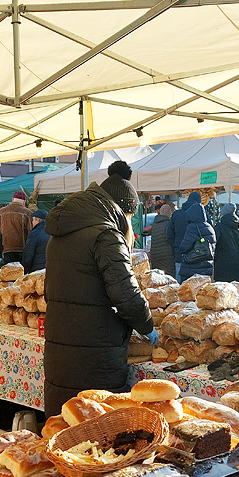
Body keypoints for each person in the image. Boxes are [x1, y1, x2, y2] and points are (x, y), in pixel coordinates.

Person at [44, 160, 155, 417]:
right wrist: (147, 326)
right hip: (96, 355)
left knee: (63, 428)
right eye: (130, 218)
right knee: (98, 439)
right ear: (124, 212)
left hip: (60, 350)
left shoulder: (61, 232)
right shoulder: (107, 235)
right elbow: (126, 295)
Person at [177, 196, 216, 282]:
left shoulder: (192, 227)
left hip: (192, 267)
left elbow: (184, 246)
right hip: (207, 267)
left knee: (188, 292)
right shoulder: (209, 227)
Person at [213, 203, 239, 283]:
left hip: (222, 266)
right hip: (238, 266)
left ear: (223, 214)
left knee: (223, 292)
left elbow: (214, 244)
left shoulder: (219, 227)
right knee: (236, 292)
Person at [168, 191, 201, 277]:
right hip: (198, 256)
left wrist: (175, 246)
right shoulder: (202, 215)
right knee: (198, 286)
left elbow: (169, 235)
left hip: (180, 254)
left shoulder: (176, 214)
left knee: (181, 286)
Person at [0, 189, 33, 264]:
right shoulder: (27, 213)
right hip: (22, 248)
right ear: (24, 201)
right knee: (21, 273)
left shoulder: (1, 212)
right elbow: (31, 232)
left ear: (12, 199)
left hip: (6, 248)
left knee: (9, 272)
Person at [144, 202, 175, 275]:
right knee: (168, 279)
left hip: (155, 255)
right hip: (167, 256)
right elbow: (170, 238)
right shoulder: (169, 224)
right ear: (169, 213)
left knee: (157, 279)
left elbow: (146, 231)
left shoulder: (154, 224)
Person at [20, 209, 50, 273]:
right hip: (50, 268)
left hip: (37, 269)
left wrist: (25, 270)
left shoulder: (34, 234)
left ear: (37, 220)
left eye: (33, 220)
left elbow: (28, 254)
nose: (32, 223)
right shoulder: (52, 232)